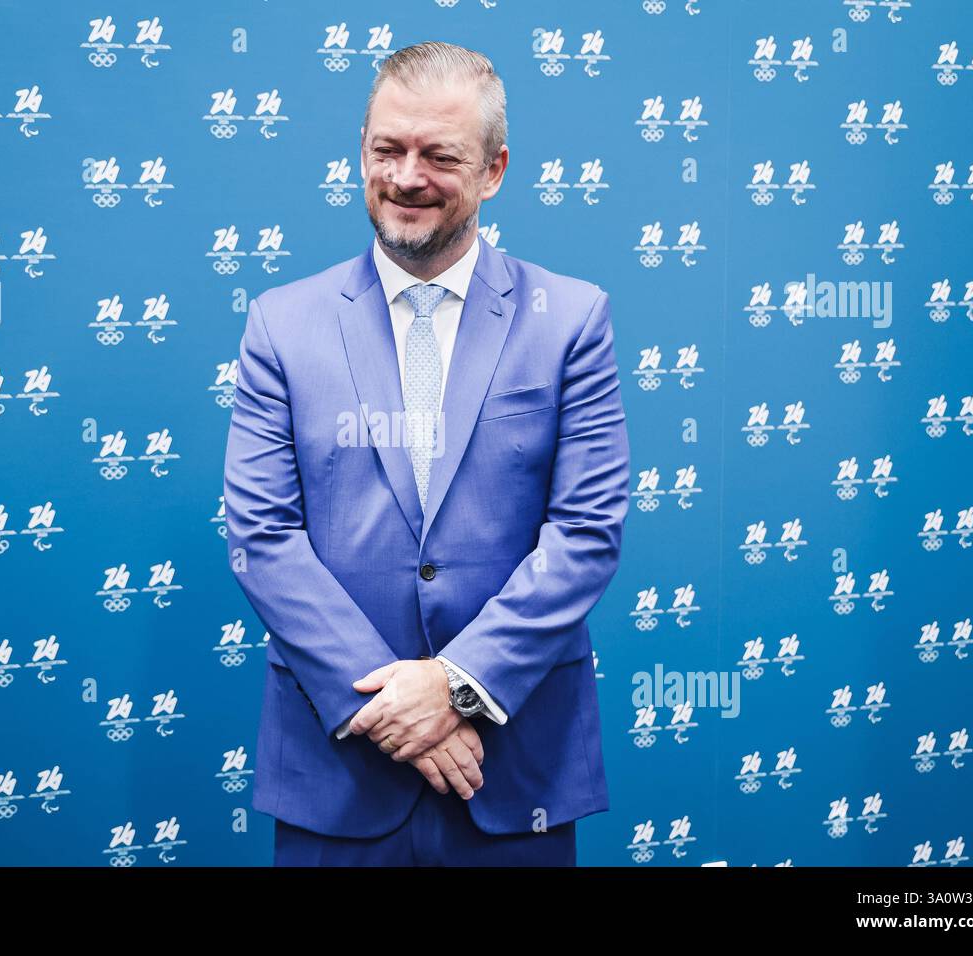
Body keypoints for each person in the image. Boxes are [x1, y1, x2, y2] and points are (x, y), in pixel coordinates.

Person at [222, 40, 630, 866]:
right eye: (387, 149)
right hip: (338, 774)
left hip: (513, 778)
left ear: (494, 170)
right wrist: (390, 704)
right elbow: (262, 536)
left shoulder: (571, 320)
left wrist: (455, 687)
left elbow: (586, 532)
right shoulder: (281, 324)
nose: (407, 177)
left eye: (439, 155)